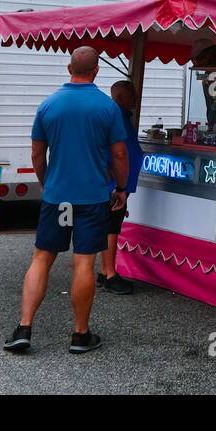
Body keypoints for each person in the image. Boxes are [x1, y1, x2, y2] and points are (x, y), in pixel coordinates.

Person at [4, 46, 127, 355]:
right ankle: (80, 335)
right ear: (96, 70)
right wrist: (121, 187)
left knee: (42, 258)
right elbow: (119, 154)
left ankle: (24, 327)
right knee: (84, 262)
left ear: (68, 68)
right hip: (92, 198)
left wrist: (47, 182)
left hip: (59, 199)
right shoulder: (108, 108)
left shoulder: (49, 105)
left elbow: (37, 153)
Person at [98, 79, 142, 295]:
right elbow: (116, 152)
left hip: (119, 183)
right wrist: (117, 184)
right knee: (111, 228)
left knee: (110, 225)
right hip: (115, 185)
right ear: (121, 97)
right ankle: (110, 274)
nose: (135, 98)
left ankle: (103, 270)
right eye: (132, 94)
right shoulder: (115, 118)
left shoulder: (120, 116)